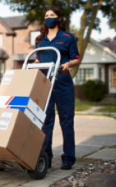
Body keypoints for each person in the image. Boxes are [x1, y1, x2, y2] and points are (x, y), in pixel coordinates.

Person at [35, 6, 81, 170]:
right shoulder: (41, 41)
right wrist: (33, 65)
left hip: (63, 83)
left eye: (52, 15)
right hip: (45, 84)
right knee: (46, 121)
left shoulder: (68, 38)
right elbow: (38, 60)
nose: (49, 18)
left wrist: (68, 64)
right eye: (46, 15)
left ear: (59, 18)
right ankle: (46, 157)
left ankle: (68, 158)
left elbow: (76, 58)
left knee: (66, 121)